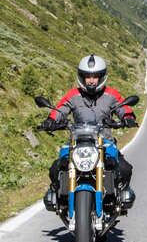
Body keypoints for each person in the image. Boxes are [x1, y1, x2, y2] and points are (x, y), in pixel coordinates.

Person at [38, 54, 138, 211]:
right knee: (55, 168)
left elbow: (122, 107)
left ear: (101, 77)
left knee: (125, 168)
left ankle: (120, 197)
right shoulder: (73, 95)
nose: (91, 80)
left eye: (95, 76)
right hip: (77, 142)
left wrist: (127, 117)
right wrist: (51, 120)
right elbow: (61, 109)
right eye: (87, 76)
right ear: (81, 77)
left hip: (104, 142)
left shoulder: (111, 94)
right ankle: (58, 197)